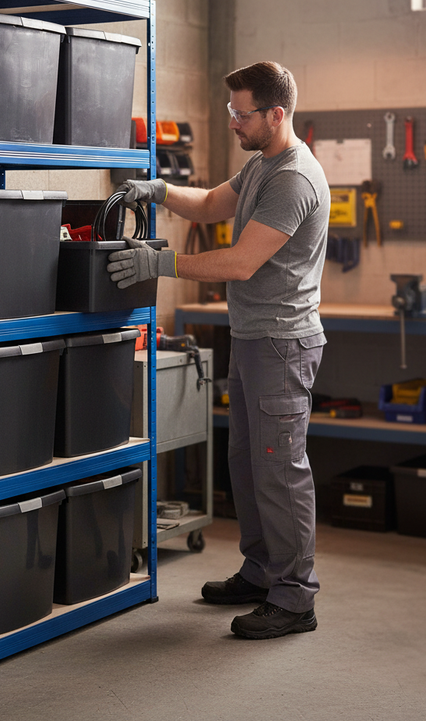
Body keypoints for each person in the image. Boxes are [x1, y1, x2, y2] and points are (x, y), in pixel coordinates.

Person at [107, 61, 330, 640]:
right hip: (254, 339)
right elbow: (209, 203)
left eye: (241, 113)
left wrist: (162, 263)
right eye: (231, 111)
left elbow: (238, 262)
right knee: (248, 465)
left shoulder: (293, 179)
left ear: (276, 114)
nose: (232, 122)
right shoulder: (261, 165)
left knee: (280, 472)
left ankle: (294, 597)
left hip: (283, 344)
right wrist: (158, 189)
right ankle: (262, 573)